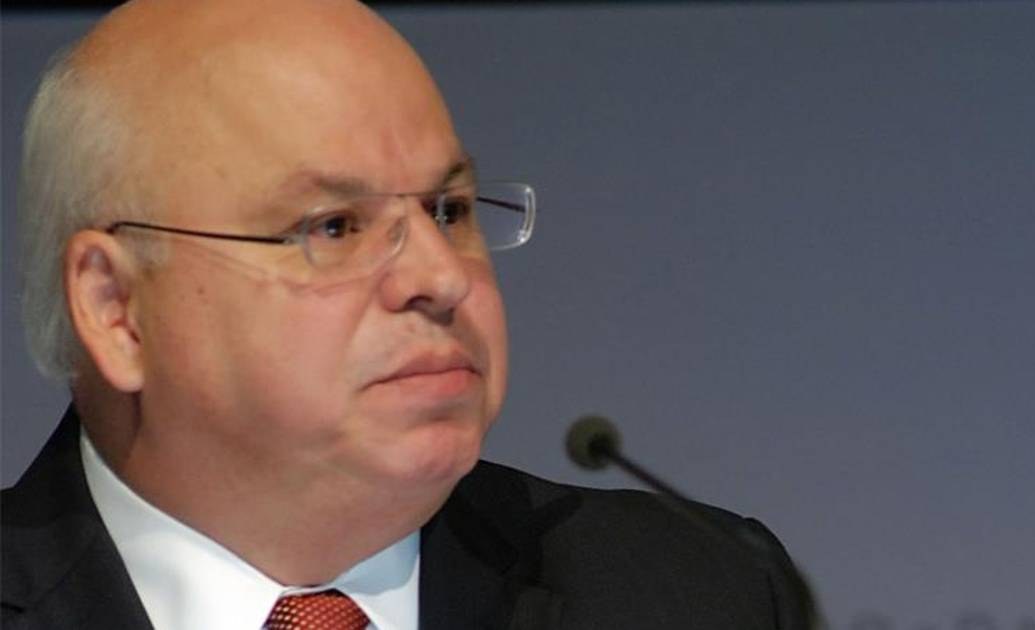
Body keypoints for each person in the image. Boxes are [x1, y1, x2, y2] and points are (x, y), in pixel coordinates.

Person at [1, 1, 819, 628]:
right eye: (334, 227)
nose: (441, 277)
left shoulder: (699, 593)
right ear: (116, 309)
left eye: (449, 211)